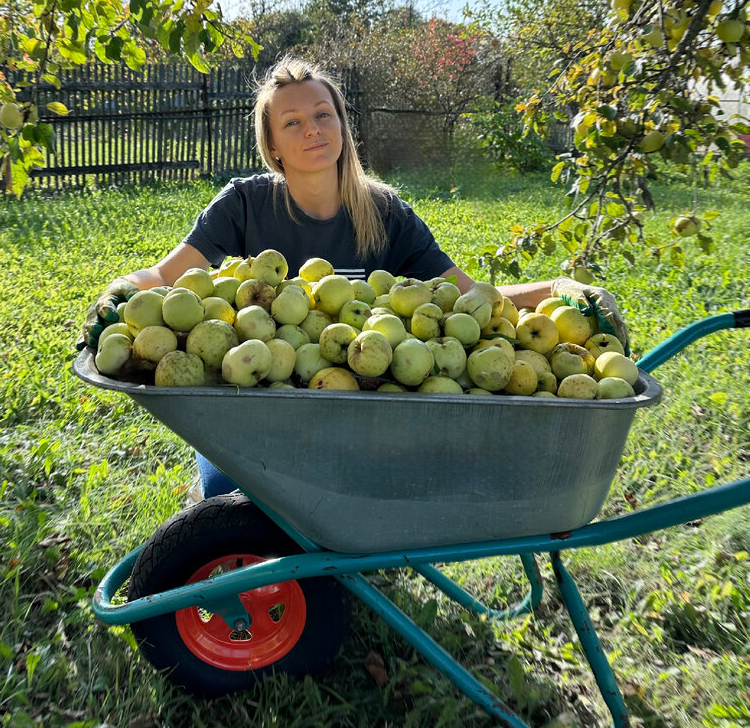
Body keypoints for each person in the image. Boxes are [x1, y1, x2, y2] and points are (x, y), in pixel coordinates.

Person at [91, 56, 626, 497]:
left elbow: (471, 297)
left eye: (324, 114)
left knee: (359, 502)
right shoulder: (244, 205)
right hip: (255, 420)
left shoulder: (385, 213)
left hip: (356, 422)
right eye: (292, 122)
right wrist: (119, 293)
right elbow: (166, 276)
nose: (313, 131)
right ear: (272, 144)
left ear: (343, 125)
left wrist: (558, 290)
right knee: (227, 498)